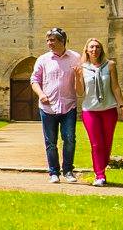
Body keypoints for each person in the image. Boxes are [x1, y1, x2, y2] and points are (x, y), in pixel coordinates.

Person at [30, 27, 81, 183]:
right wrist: (41, 94)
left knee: (69, 139)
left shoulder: (75, 57)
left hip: (69, 105)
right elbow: (34, 80)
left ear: (62, 40)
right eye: (48, 40)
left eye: (52, 40)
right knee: (50, 142)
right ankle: (53, 172)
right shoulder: (43, 59)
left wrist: (79, 77)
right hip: (48, 108)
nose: (49, 43)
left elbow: (80, 81)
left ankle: (68, 171)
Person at [78, 37, 123, 187]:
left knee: (107, 143)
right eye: (91, 47)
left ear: (101, 49)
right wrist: (76, 76)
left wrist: (122, 105)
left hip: (109, 109)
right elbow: (80, 92)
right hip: (90, 110)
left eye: (97, 47)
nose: (94, 50)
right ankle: (100, 175)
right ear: (86, 50)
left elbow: (115, 87)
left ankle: (101, 164)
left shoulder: (110, 65)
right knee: (96, 144)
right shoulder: (82, 68)